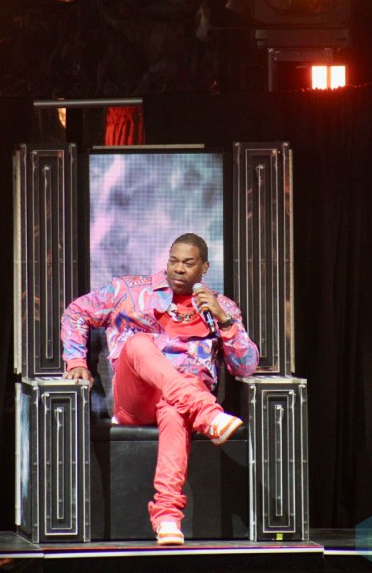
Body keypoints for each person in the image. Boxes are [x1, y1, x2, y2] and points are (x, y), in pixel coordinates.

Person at [61, 232, 259, 545]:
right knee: (139, 343)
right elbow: (76, 312)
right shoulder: (129, 290)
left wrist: (224, 322)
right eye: (173, 261)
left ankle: (167, 517)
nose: (178, 268)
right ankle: (208, 414)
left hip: (180, 403)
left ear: (204, 268)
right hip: (136, 400)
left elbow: (245, 367)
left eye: (188, 263)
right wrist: (76, 361)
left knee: (179, 399)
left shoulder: (221, 307)